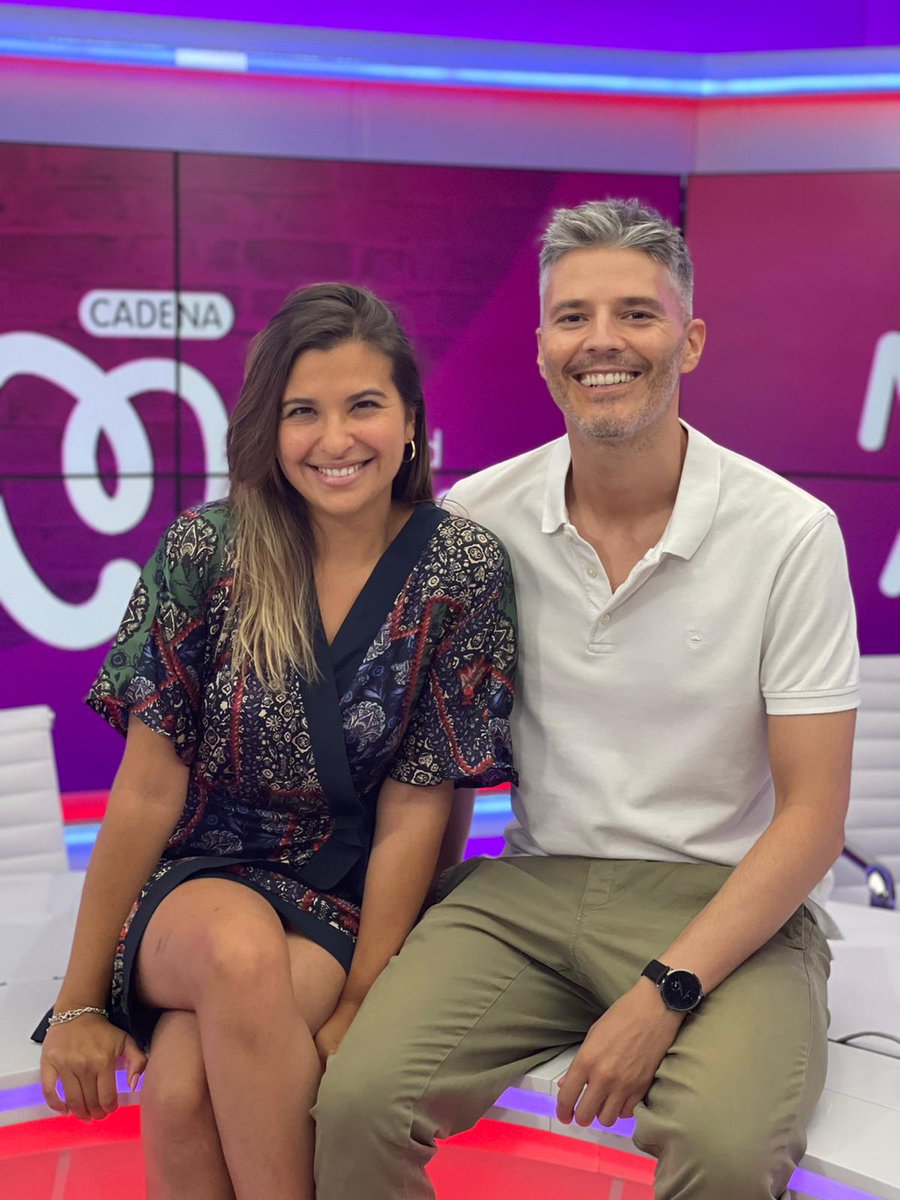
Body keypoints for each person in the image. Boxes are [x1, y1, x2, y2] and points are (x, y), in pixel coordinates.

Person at [313, 200, 859, 1200]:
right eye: (573, 317)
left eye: (636, 314)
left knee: (727, 1150)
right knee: (353, 1104)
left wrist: (665, 991)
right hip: (527, 892)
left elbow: (815, 817)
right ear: (541, 349)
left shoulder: (789, 532)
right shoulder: (477, 516)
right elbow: (439, 766)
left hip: (722, 899)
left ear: (690, 341)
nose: (602, 340)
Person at [34, 283, 517, 1200]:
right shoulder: (205, 551)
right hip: (193, 886)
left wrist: (366, 995)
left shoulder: (462, 567)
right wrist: (79, 1002)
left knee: (181, 1090)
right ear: (269, 427)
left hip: (345, 899)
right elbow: (145, 792)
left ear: (411, 423)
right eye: (303, 412)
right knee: (237, 950)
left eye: (363, 405)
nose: (335, 440)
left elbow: (423, 805)